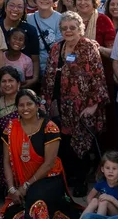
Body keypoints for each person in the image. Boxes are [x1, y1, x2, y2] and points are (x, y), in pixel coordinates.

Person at [0, 88, 85, 219]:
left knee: (34, 201)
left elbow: (49, 163)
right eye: (21, 105)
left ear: (37, 105)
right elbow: (6, 161)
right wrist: (12, 188)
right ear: (16, 108)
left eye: (29, 104)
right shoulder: (11, 128)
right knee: (11, 213)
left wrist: (26, 185)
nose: (25, 108)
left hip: (49, 178)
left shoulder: (49, 127)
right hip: (22, 182)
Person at [44, 12, 109, 188]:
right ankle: (69, 178)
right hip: (60, 105)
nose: (68, 31)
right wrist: (48, 102)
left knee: (82, 144)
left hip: (83, 105)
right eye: (64, 28)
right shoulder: (57, 48)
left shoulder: (88, 47)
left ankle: (81, 181)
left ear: (81, 29)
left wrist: (94, 106)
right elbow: (49, 76)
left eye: (72, 27)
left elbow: (98, 77)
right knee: (64, 143)